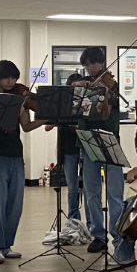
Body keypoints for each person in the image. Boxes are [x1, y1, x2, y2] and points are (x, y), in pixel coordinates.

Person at [71, 47, 133, 262]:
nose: (89, 69)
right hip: (87, 140)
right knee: (91, 192)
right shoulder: (83, 84)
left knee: (115, 193)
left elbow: (106, 113)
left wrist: (105, 96)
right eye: (86, 65)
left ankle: (117, 236)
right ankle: (97, 234)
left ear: (102, 62)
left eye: (92, 64)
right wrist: (76, 87)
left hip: (109, 139)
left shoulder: (111, 86)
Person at [0, 60, 46, 264]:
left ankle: (6, 245)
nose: (10, 81)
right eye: (6, 77)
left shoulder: (19, 98)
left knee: (14, 204)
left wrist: (46, 118)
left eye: (14, 77)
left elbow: (26, 126)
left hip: (16, 155)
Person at [45, 73, 85, 227]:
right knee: (72, 187)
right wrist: (60, 120)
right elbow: (48, 127)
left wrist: (78, 126)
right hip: (67, 149)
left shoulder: (85, 104)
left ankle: (88, 221)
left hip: (84, 147)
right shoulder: (62, 105)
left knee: (87, 188)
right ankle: (73, 219)